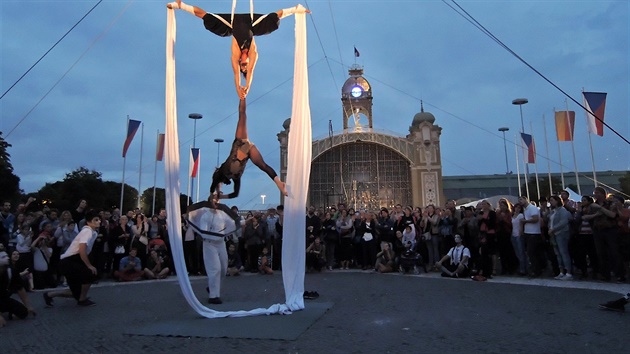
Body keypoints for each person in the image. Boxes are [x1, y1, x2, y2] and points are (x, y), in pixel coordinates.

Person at [166, 0, 310, 98]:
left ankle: (181, 5)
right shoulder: (253, 52)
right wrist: (247, 85)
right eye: (245, 63)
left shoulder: (235, 54)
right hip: (252, 24)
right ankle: (295, 9)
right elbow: (251, 71)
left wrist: (239, 87)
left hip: (231, 24)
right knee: (273, 21)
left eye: (242, 64)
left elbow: (236, 74)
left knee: (207, 18)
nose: (244, 62)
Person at [210, 98, 287, 200]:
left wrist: (214, 195)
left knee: (242, 116)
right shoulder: (236, 177)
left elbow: (214, 185)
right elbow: (235, 194)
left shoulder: (220, 173)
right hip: (249, 150)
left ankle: (243, 96)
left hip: (240, 143)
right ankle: (279, 183)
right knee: (263, 166)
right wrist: (221, 196)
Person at [187, 201, 241, 305]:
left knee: (223, 268)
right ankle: (213, 296)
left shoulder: (222, 215)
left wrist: (240, 222)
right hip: (209, 244)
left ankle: (212, 287)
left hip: (221, 243)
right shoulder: (205, 216)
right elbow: (204, 232)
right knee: (214, 269)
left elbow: (231, 224)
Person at [43, 210, 100, 307]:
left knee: (75, 292)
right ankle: (82, 300)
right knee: (90, 273)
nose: (99, 221)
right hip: (69, 261)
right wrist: (89, 265)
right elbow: (82, 250)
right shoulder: (87, 231)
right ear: (89, 222)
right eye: (96, 220)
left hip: (71, 261)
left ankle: (49, 295)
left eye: (99, 220)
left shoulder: (92, 232)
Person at [0, 251, 36, 327]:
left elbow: (20, 288)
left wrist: (28, 306)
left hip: (3, 298)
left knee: (23, 313)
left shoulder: (11, 271)